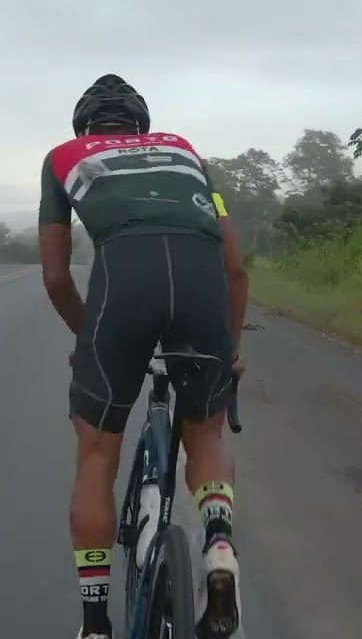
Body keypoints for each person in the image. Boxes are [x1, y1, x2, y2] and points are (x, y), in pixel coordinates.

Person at [38, 74, 250, 639]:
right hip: (202, 283)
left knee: (97, 454)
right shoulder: (183, 151)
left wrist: (91, 339)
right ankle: (219, 543)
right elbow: (235, 268)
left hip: (125, 283)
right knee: (205, 433)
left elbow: (56, 278)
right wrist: (230, 349)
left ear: (85, 128)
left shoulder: (63, 157)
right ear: (142, 127)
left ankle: (94, 623)